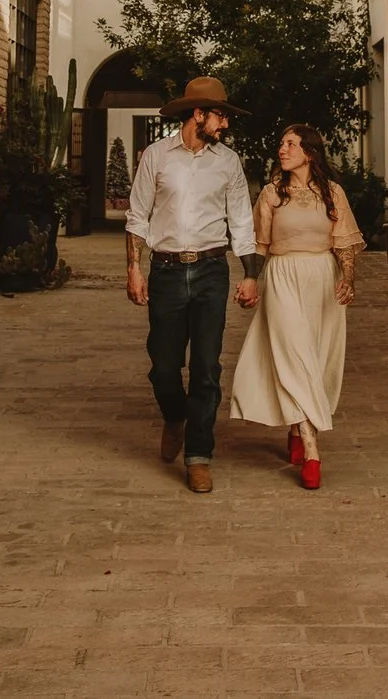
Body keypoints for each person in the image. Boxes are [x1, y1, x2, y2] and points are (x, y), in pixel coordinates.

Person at [124, 76, 260, 493]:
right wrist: (134, 267)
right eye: (220, 116)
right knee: (164, 366)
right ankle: (174, 416)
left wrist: (251, 273)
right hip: (165, 272)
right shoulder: (157, 157)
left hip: (210, 272)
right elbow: (137, 216)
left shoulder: (228, 162)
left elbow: (240, 221)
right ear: (198, 114)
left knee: (206, 367)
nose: (225, 125)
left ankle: (199, 455)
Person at [229, 123, 364, 491]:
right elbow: (258, 244)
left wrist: (348, 279)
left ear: (310, 152)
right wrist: (250, 279)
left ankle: (294, 426)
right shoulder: (272, 195)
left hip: (322, 277)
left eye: (290, 143)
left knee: (315, 358)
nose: (282, 149)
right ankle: (311, 446)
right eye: (281, 143)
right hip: (283, 275)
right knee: (293, 354)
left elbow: (345, 242)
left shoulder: (332, 193)